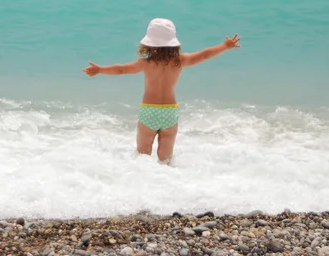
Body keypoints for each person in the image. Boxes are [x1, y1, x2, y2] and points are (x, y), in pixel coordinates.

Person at [82, 18, 241, 164]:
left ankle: (144, 186)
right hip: (170, 113)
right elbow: (204, 55)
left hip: (149, 111)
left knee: (142, 155)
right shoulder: (180, 60)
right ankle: (167, 185)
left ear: (148, 44)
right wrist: (224, 46)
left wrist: (100, 69)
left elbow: (121, 70)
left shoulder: (145, 63)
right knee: (166, 158)